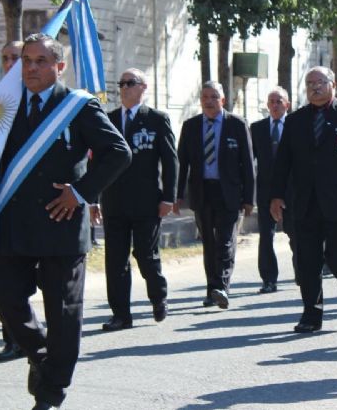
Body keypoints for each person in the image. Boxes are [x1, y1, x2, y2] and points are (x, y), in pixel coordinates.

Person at [0, 33, 130, 410]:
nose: (31, 68)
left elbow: (118, 152)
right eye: (26, 61)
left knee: (63, 313)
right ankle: (41, 354)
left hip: (62, 221)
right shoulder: (5, 104)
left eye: (40, 61)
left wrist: (81, 192)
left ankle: (50, 394)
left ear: (58, 66)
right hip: (15, 222)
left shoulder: (78, 106)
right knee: (4, 298)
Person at [270, 66, 337, 333]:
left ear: (332, 84)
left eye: (320, 82)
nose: (315, 87)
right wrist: (276, 195)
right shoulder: (295, 120)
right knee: (307, 260)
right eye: (309, 83)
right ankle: (311, 314)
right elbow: (283, 162)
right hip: (304, 202)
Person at [98, 68, 177, 331]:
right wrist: (91, 198)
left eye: (129, 83)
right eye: (121, 84)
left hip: (146, 202)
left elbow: (170, 160)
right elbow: (97, 162)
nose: (124, 88)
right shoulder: (107, 120)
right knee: (115, 259)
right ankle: (120, 314)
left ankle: (158, 297)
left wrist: (169, 197)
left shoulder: (155, 119)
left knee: (145, 254)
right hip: (114, 201)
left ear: (143, 87)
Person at [174, 81, 255, 309]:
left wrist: (249, 199)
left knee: (226, 240)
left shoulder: (237, 125)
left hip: (228, 192)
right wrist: (177, 195)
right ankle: (212, 290)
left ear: (223, 100)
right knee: (208, 242)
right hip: (202, 191)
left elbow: (248, 165)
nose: (209, 102)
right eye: (205, 97)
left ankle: (222, 286)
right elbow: (182, 163)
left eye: (214, 97)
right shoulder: (190, 126)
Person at [0, 40, 25, 362]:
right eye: (6, 58)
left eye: (15, 58)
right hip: (4, 205)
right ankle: (14, 339)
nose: (10, 63)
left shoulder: (41, 101)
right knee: (3, 287)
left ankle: (35, 338)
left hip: (38, 206)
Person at [250, 87, 297, 293]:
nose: (275, 105)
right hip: (266, 191)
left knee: (295, 234)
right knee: (266, 236)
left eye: (279, 101)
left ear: (287, 104)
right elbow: (249, 160)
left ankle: (302, 272)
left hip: (292, 190)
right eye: (272, 101)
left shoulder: (296, 125)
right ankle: (269, 279)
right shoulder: (257, 128)